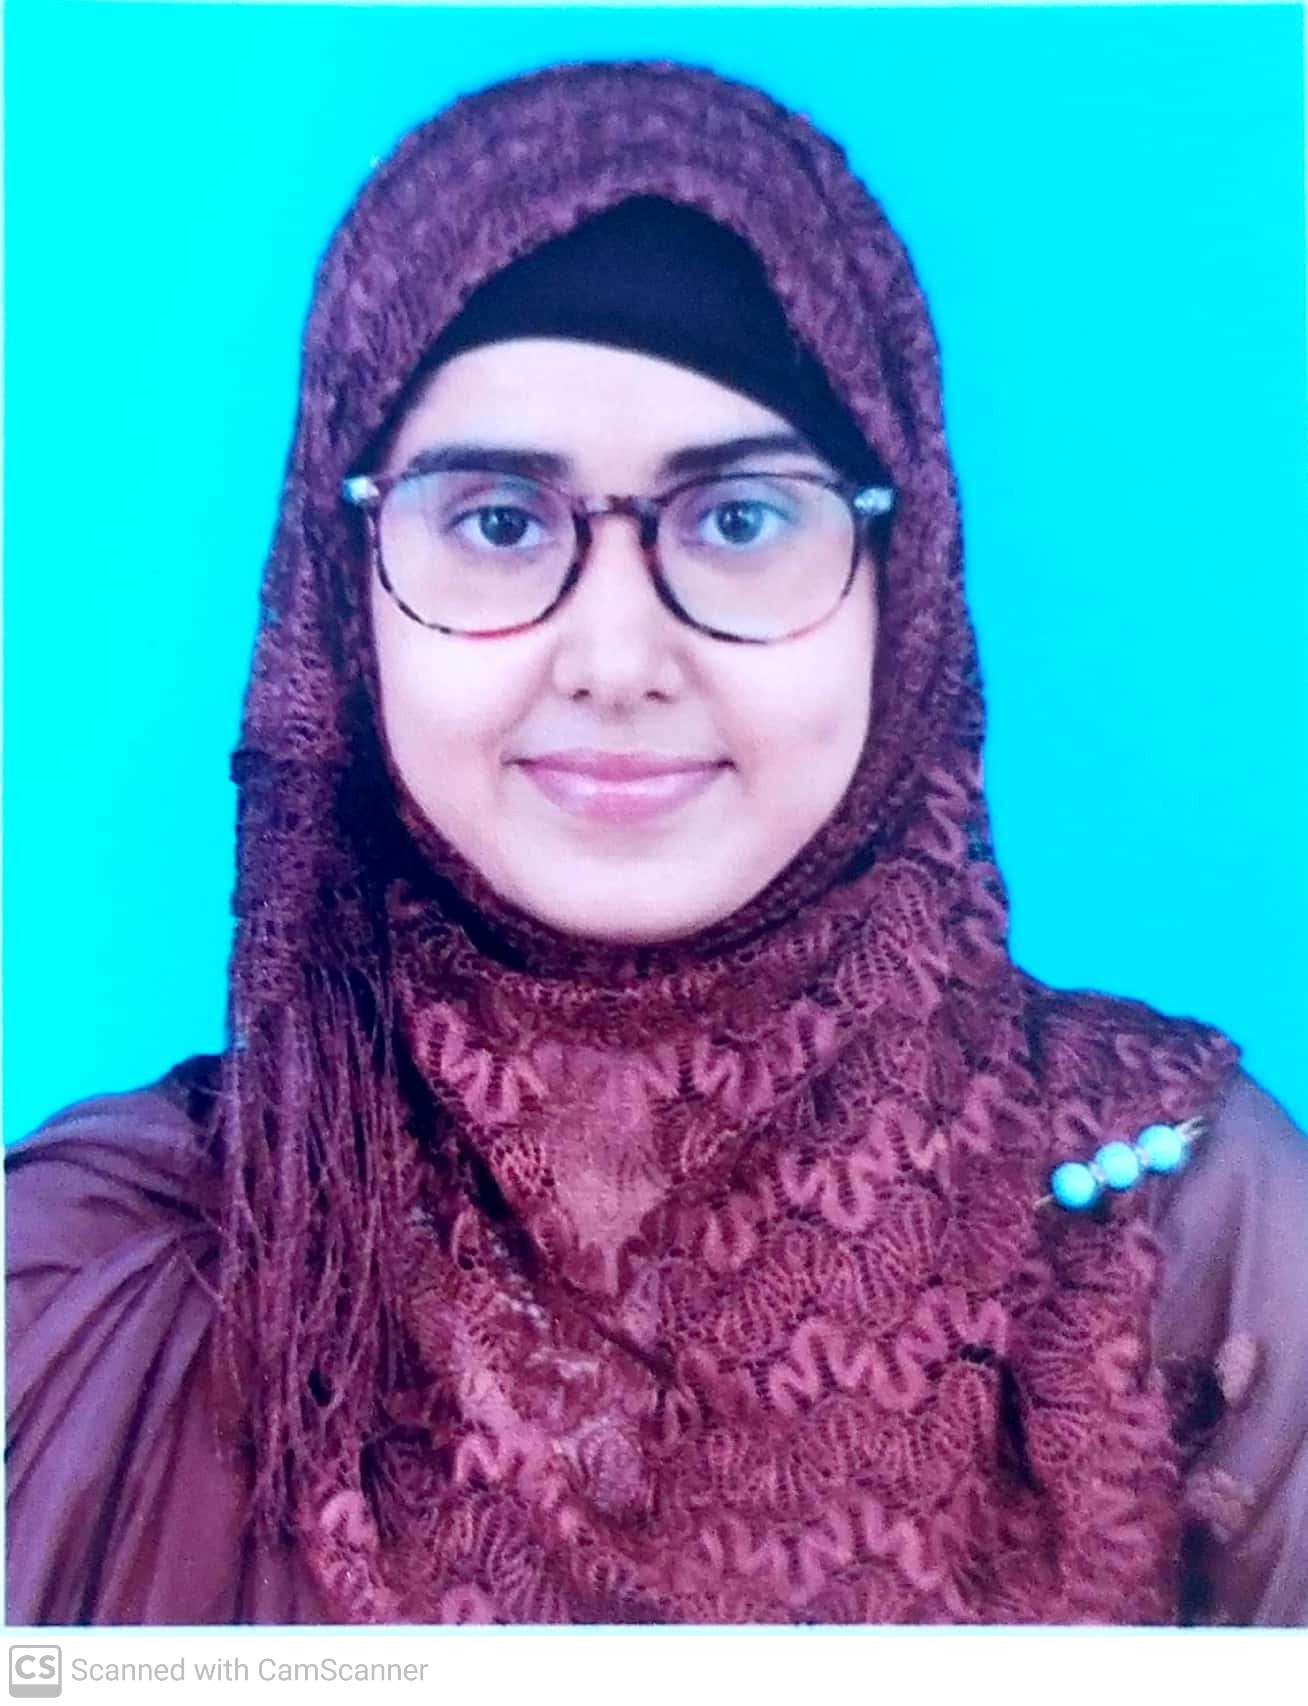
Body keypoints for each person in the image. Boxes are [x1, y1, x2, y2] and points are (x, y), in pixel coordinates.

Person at [6, 58, 1307, 1628]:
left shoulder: (1174, 1223)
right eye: (497, 519)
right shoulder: (107, 1280)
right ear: (345, 593)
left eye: (741, 516)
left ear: (901, 584)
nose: (617, 658)